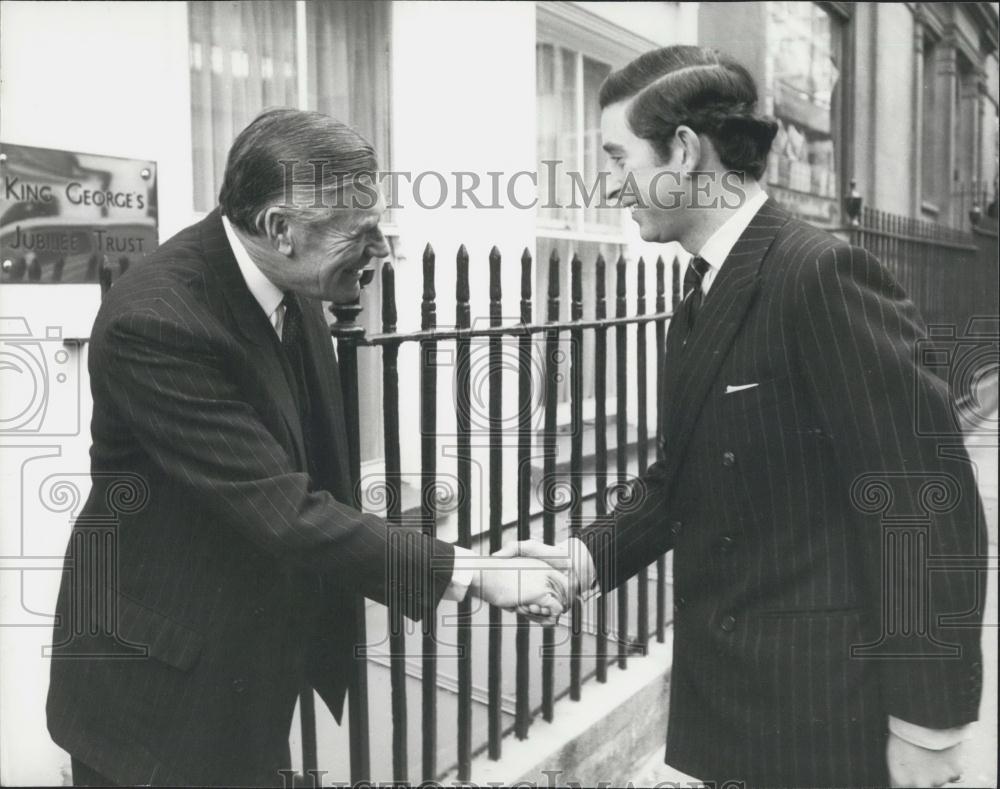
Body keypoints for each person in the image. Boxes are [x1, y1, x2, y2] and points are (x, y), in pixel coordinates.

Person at [499, 46, 986, 788]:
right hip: (739, 710)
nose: (607, 183)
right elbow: (679, 479)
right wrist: (581, 560)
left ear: (686, 151)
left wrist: (928, 723)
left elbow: (922, 497)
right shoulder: (702, 288)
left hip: (829, 720)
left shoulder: (817, 272)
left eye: (616, 155)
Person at [46, 109, 566, 787]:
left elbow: (323, 482)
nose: (381, 253)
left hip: (244, 667)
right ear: (279, 229)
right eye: (361, 233)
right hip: (154, 687)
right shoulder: (158, 321)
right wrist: (471, 571)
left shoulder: (288, 287)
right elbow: (285, 509)